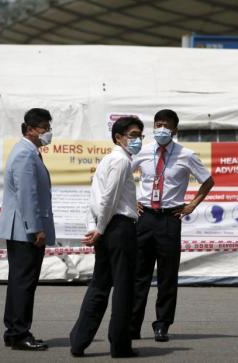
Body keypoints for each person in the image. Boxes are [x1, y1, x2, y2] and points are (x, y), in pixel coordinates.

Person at [130, 109, 215, 342]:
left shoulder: (186, 155)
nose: (161, 129)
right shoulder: (143, 151)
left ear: (175, 130)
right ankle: (132, 324)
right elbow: (122, 175)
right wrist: (131, 201)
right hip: (145, 217)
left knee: (167, 276)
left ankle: (162, 324)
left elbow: (208, 181)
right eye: (158, 125)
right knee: (139, 275)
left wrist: (192, 205)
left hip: (169, 219)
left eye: (166, 126)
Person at [70, 116, 144, 358]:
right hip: (119, 228)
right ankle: (120, 346)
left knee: (99, 285)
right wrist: (99, 229)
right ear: (118, 138)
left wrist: (95, 227)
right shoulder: (121, 162)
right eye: (133, 135)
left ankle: (79, 341)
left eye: (140, 135)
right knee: (124, 288)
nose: (137, 140)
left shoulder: (106, 160)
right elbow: (108, 199)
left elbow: (95, 197)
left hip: (106, 229)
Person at [0, 108, 55, 351]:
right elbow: (27, 195)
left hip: (21, 229)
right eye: (44, 127)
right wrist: (36, 228)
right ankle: (20, 333)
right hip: (25, 230)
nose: (48, 133)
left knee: (19, 281)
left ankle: (14, 331)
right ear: (30, 129)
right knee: (24, 282)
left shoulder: (29, 151)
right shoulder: (25, 154)